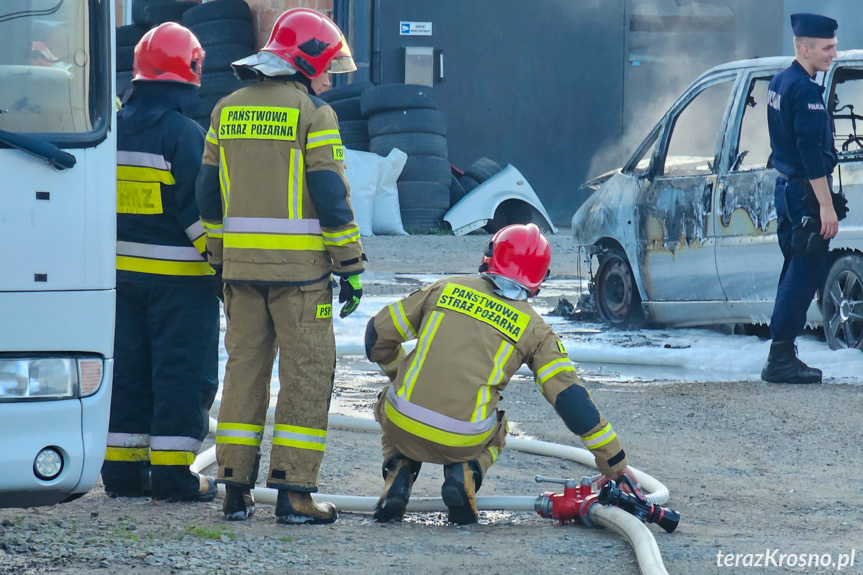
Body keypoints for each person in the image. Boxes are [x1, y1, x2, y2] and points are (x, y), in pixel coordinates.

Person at [195, 8, 364, 524]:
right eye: (328, 66)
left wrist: (219, 258)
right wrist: (350, 265)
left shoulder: (225, 110)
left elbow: (207, 195)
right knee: (306, 377)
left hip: (240, 276)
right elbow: (330, 196)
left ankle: (233, 489)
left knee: (243, 373)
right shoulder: (313, 115)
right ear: (305, 60)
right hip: (301, 279)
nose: (331, 78)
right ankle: (294, 495)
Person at [364, 224, 635, 524]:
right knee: (499, 427)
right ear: (539, 280)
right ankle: (467, 472)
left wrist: (399, 375)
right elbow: (571, 401)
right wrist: (615, 463)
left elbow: (375, 337)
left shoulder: (445, 288)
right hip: (463, 441)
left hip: (402, 424)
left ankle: (398, 469)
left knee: (389, 402)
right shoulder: (535, 330)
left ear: (490, 256)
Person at [102, 22, 219, 502]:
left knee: (127, 372)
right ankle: (172, 477)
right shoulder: (184, 134)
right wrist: (225, 266)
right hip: (181, 285)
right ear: (190, 72)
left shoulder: (110, 127)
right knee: (180, 374)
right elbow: (198, 215)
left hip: (119, 281)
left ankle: (123, 475)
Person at [762, 13, 846, 384]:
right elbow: (811, 153)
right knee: (805, 271)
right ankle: (780, 358)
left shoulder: (780, 82)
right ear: (805, 48)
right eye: (827, 48)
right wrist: (825, 206)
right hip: (804, 193)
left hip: (787, 189)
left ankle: (781, 353)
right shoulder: (805, 91)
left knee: (794, 270)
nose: (833, 53)